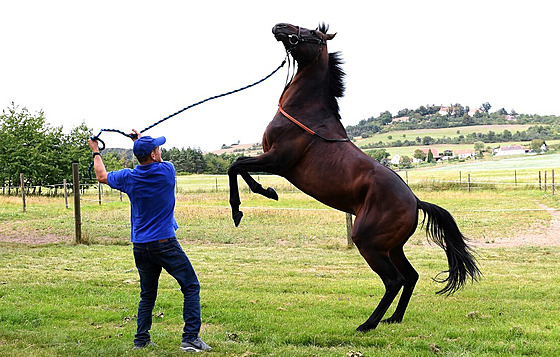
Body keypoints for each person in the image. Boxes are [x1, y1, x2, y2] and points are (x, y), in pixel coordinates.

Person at [88, 130, 211, 353]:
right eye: (157, 148)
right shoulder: (167, 171)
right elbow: (158, 161)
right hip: (165, 243)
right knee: (191, 286)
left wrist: (96, 151)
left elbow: (102, 176)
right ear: (153, 155)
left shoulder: (129, 177)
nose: (160, 150)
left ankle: (141, 340)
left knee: (147, 294)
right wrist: (139, 141)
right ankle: (190, 338)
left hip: (141, 246)